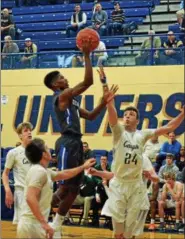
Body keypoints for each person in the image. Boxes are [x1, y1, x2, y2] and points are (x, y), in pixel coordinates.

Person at [91, 67, 184, 239]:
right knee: (118, 230)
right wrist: (104, 84)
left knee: (129, 231)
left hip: (135, 186)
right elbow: (111, 110)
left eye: (131, 114)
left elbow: (169, 127)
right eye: (125, 114)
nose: (126, 116)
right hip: (119, 184)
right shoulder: (118, 132)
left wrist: (183, 114)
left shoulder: (143, 135)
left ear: (137, 120)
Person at [43, 41, 118, 236]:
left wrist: (104, 102)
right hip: (67, 142)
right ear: (54, 85)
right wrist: (86, 55)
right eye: (61, 77)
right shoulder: (61, 96)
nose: (65, 77)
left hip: (75, 142)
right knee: (66, 186)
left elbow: (92, 116)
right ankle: (37, 214)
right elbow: (87, 82)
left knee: (74, 189)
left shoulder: (71, 101)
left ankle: (56, 226)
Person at [16, 138, 96, 239]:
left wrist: (83, 166)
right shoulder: (38, 171)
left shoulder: (44, 171)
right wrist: (44, 223)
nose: (49, 150)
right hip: (32, 225)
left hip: (35, 225)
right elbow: (30, 197)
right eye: (47, 148)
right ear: (44, 154)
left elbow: (64, 174)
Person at [2, 122, 33, 225]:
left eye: (30, 130)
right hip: (22, 193)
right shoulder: (14, 153)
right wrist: (7, 190)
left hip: (36, 193)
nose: (29, 132)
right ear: (20, 135)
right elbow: (5, 174)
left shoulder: (37, 151)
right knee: (23, 226)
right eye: (26, 131)